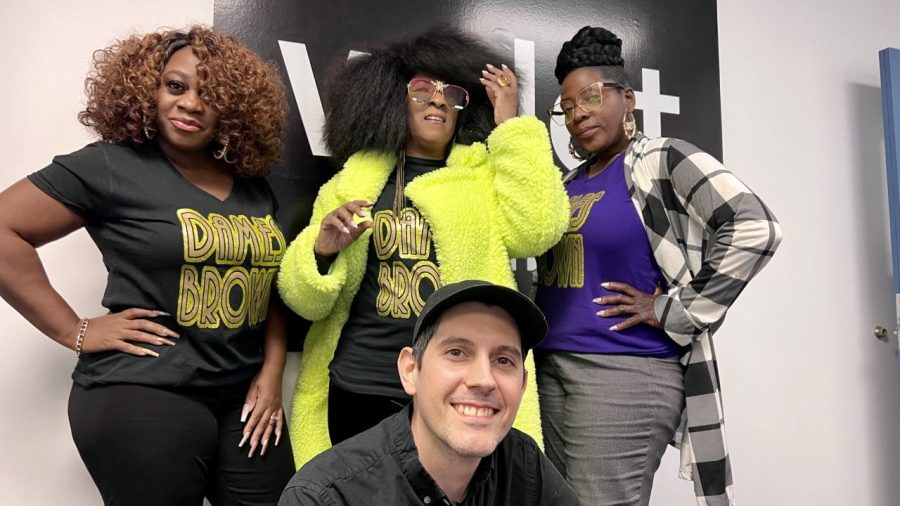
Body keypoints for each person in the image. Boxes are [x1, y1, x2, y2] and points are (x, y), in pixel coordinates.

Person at [0, 26, 295, 505]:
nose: (191, 104)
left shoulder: (253, 186)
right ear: (148, 87)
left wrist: (272, 371)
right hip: (144, 389)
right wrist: (74, 330)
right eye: (175, 86)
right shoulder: (112, 166)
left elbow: (270, 285)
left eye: (211, 93)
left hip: (242, 395)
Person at [277, 26, 570, 466]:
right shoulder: (353, 182)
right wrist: (321, 251)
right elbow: (304, 301)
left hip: (455, 391)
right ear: (392, 100)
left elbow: (538, 229)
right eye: (421, 90)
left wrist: (511, 125)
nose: (437, 100)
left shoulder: (483, 179)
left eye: (452, 94)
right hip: (359, 384)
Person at [534, 26, 783, 506]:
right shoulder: (569, 182)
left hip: (624, 374)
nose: (578, 113)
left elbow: (756, 226)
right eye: (566, 108)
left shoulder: (661, 160)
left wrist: (674, 308)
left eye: (589, 96)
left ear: (627, 99)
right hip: (553, 367)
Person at [279, 280, 577, 505]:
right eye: (457, 352)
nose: (484, 380)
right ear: (411, 370)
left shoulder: (524, 467)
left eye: (503, 361)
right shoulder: (324, 497)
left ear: (522, 385)